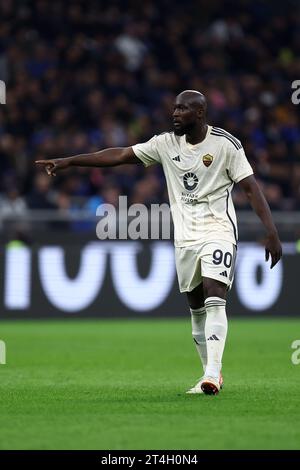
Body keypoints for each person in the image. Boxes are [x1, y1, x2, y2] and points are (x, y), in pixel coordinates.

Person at [36, 90, 282, 395]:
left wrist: (270, 231)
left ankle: (213, 373)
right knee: (195, 307)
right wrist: (70, 162)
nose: (175, 113)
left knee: (214, 293)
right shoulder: (165, 143)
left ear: (200, 113)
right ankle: (209, 374)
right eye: (174, 108)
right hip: (184, 237)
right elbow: (121, 155)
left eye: (182, 109)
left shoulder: (226, 145)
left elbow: (250, 188)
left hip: (218, 230)